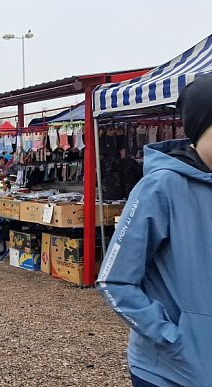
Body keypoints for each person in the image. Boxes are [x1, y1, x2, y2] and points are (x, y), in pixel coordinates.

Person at [96, 76, 212, 387]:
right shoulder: (161, 187)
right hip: (169, 373)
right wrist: (171, 339)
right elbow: (115, 280)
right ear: (200, 129)